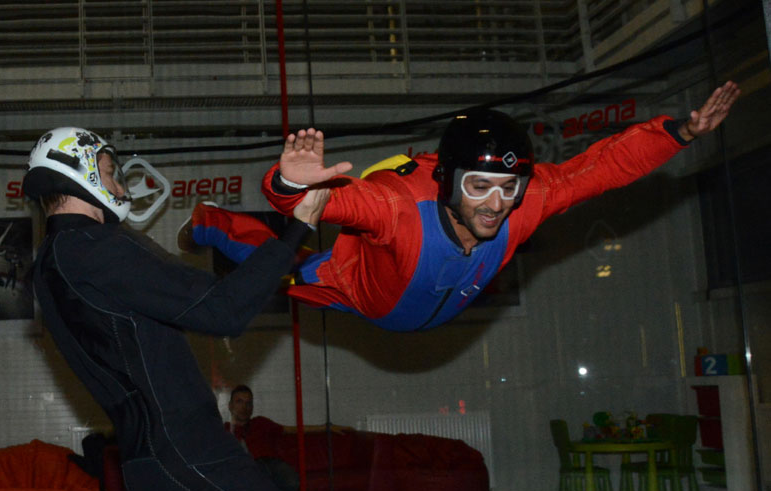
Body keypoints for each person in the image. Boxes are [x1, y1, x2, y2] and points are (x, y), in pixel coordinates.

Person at [23, 126, 354, 491]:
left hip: (160, 465)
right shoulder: (87, 247)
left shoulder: (55, 260)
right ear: (77, 172)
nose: (122, 186)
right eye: (108, 170)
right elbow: (222, 310)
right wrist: (299, 224)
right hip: (190, 456)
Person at [185, 82, 741, 331]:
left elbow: (599, 170)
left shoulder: (528, 199)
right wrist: (288, 182)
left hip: (412, 297)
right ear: (449, 182)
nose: (496, 205)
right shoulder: (399, 210)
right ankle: (213, 221)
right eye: (478, 187)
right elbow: (320, 204)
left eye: (508, 186)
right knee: (276, 272)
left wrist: (679, 133)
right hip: (358, 285)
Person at [225, 384, 303, 491]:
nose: (245, 407)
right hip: (251, 467)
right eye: (239, 402)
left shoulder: (260, 423)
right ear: (230, 406)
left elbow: (293, 430)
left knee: (291, 480)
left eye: (249, 403)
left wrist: (327, 427)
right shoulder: (225, 430)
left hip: (273, 463)